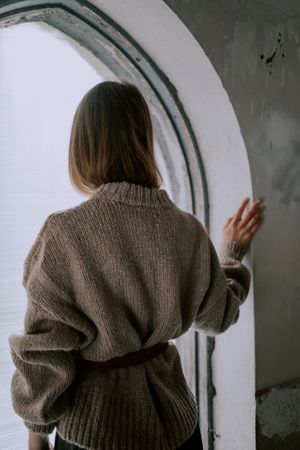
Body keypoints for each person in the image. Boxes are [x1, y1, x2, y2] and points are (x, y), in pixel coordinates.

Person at [8, 81, 264, 450]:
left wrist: (36, 435)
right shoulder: (186, 229)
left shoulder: (63, 234)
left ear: (81, 148)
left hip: (91, 436)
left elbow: (44, 354)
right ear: (145, 142)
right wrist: (232, 254)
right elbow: (219, 315)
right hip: (177, 431)